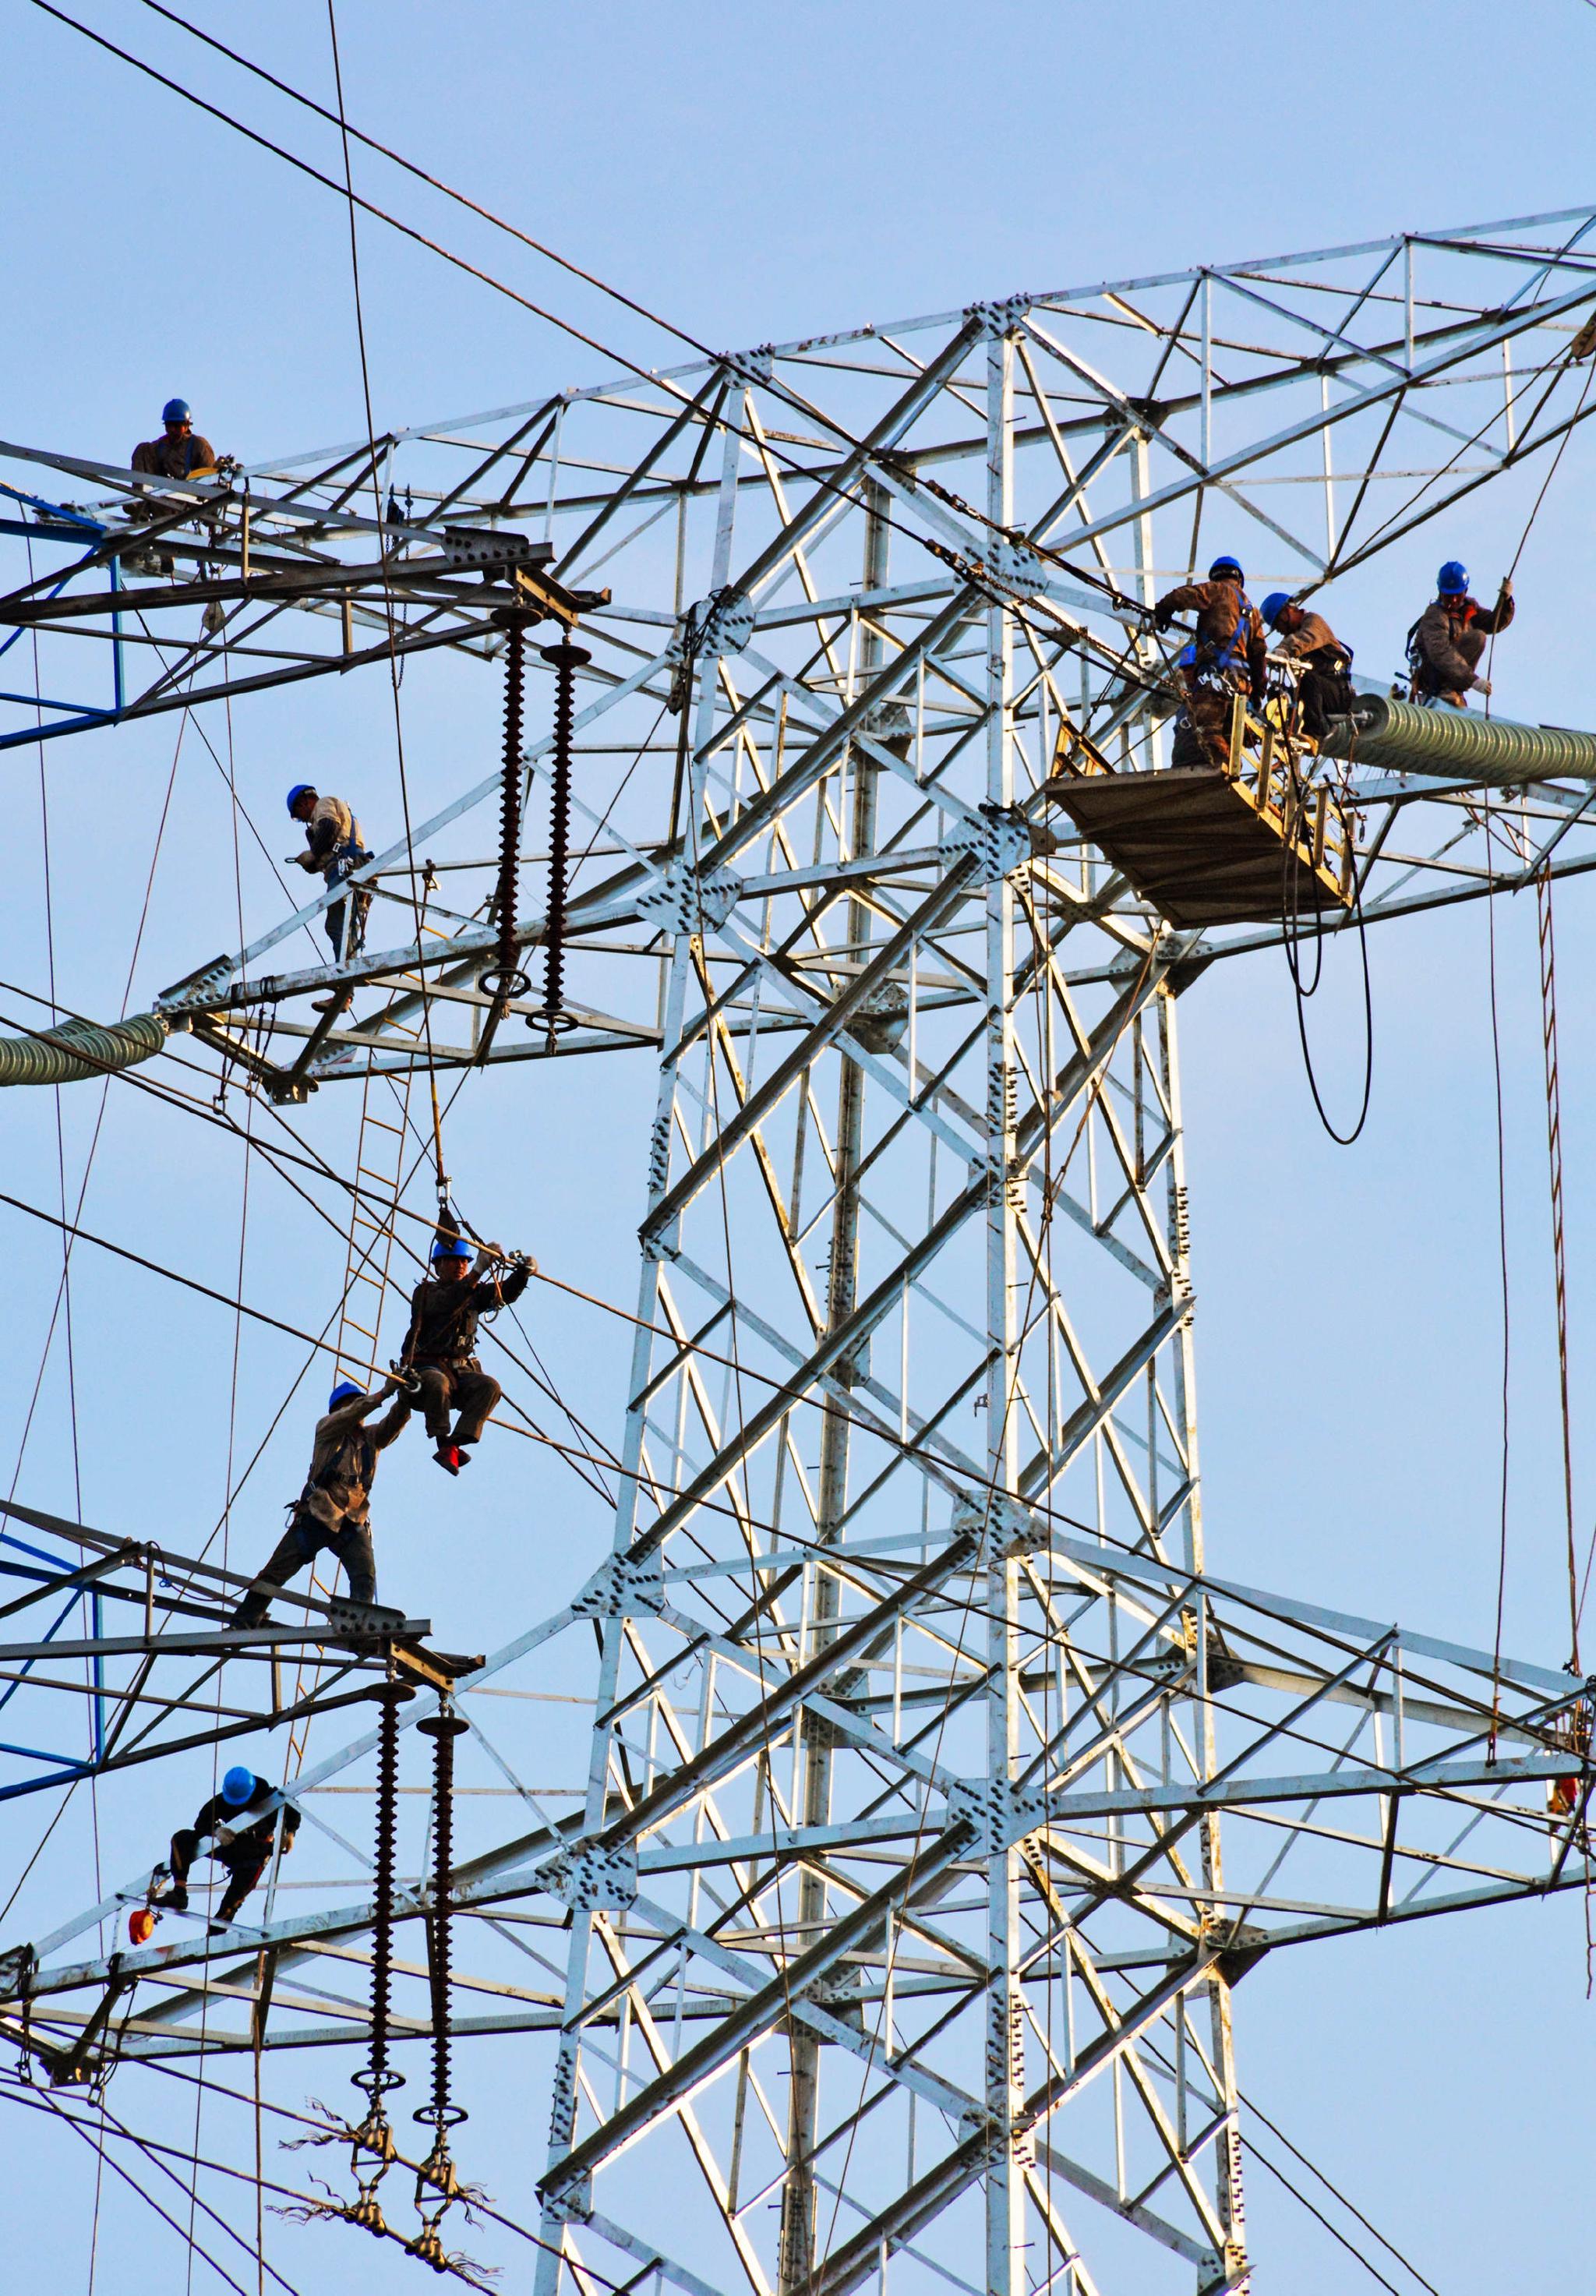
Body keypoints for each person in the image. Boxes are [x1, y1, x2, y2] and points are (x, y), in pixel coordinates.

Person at [232, 1377, 411, 1627]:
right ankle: (245, 1619)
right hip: (318, 1515)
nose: (359, 1410)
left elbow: (394, 1423)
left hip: (351, 1520)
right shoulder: (327, 1429)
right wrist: (382, 1395)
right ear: (341, 1409)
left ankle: (358, 1623)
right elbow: (353, 1413)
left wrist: (407, 1396)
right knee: (276, 1572)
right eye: (353, 1404)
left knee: (364, 1576)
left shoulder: (370, 1439)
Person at [400, 1234, 532, 1474]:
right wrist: (479, 1271)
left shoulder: (473, 1293)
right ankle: (442, 1442)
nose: (460, 1265)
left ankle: (453, 1444)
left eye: (464, 1261)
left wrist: (522, 1274)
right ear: (438, 1265)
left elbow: (504, 1293)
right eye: (452, 1261)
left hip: (458, 1373)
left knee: (490, 1386)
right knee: (438, 1383)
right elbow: (450, 1301)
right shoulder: (425, 1293)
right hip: (423, 1373)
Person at [1153, 556, 1268, 768]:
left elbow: (1184, 596)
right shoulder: (1253, 612)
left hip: (1215, 677)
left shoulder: (1217, 590)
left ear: (1216, 576)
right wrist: (1258, 692)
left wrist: (1163, 610)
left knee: (1206, 727)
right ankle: (1230, 768)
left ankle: (1219, 770)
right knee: (1228, 733)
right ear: (1239, 578)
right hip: (1241, 682)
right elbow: (1259, 654)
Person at [153, 1765, 299, 1929]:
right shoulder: (224, 1800)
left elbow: (292, 1809)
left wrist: (290, 1833)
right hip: (232, 1846)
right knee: (182, 1838)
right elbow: (201, 1823)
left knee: (229, 1908)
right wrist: (217, 1831)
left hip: (255, 1855)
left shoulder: (268, 1796)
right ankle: (179, 1893)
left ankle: (216, 1933)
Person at [286, 782, 374, 998]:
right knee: (344, 924)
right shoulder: (328, 812)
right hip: (348, 868)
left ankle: (345, 977)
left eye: (299, 813)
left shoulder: (324, 804)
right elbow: (327, 849)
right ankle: (349, 980)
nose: (304, 819)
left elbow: (328, 829)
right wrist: (311, 862)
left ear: (305, 801)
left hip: (347, 868)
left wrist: (313, 853)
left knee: (336, 925)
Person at [1407, 561, 1514, 708]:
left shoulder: (1468, 608)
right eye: (1448, 596)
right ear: (1440, 592)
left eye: (1457, 595)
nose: (1453, 600)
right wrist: (1472, 680)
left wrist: (1505, 601)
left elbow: (1493, 623)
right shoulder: (1435, 615)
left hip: (1452, 675)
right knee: (1477, 637)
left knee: (1478, 637)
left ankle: (1452, 690)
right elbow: (1440, 653)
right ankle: (1449, 689)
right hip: (1431, 675)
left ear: (1465, 591)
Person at [1260, 593, 1356, 739]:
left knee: (1309, 680)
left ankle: (1316, 735)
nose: (1279, 630)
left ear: (1287, 612)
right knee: (1278, 693)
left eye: (1278, 623)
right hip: (1317, 695)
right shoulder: (1290, 638)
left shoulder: (1313, 621)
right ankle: (1281, 731)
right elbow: (1287, 645)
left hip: (1337, 691)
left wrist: (1283, 651)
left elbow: (1304, 639)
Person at [130, 398, 224, 483]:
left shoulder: (198, 445)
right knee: (142, 449)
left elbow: (210, 478)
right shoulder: (157, 448)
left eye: (176, 426)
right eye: (169, 425)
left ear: (187, 425)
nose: (172, 429)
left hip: (191, 498)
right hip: (161, 496)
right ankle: (139, 500)